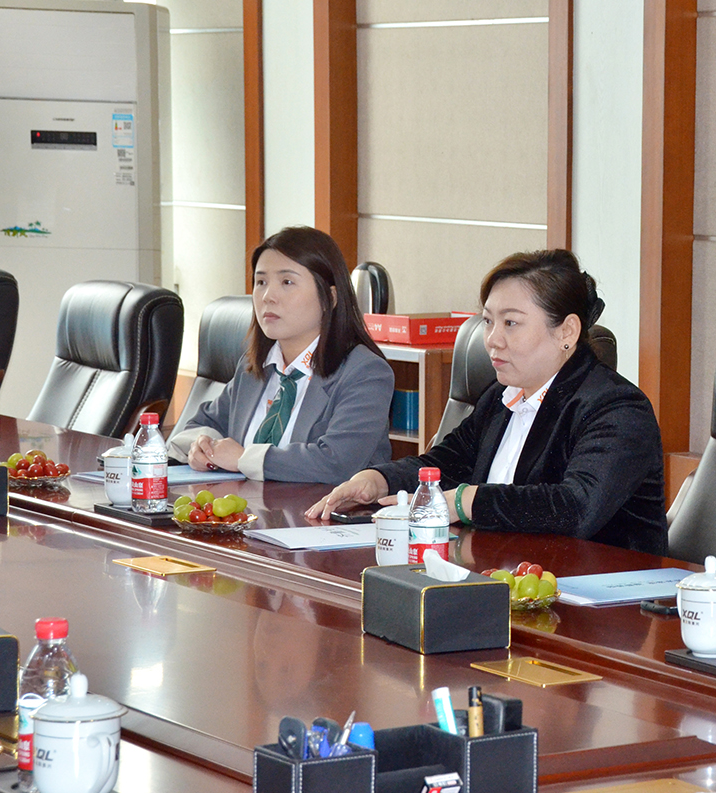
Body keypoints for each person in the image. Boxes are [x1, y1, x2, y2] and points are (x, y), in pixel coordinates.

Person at [305, 249, 668, 554]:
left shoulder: (617, 408)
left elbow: (575, 508)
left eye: (511, 323)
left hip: (598, 598)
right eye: (488, 321)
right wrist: (378, 480)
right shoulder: (501, 396)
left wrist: (466, 501)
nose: (492, 339)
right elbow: (446, 464)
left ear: (567, 332)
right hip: (502, 573)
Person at [167, 226, 394, 484]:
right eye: (261, 282)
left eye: (287, 282)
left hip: (319, 509)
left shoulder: (365, 372)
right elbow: (199, 425)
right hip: (245, 505)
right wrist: (203, 447)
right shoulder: (254, 366)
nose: (268, 297)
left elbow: (337, 463)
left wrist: (244, 459)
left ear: (329, 298)